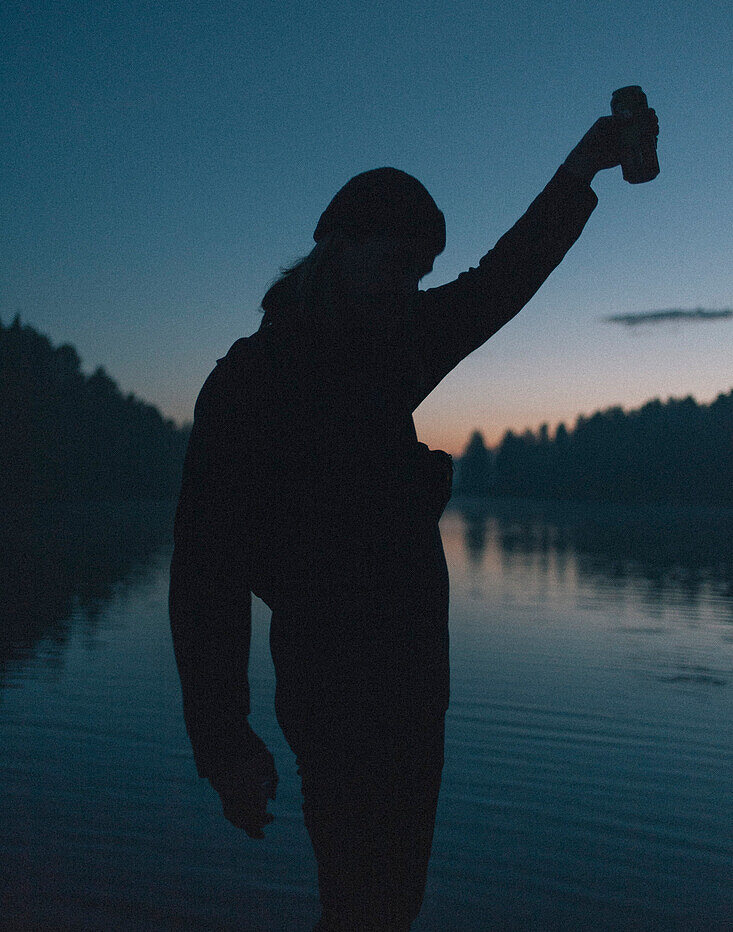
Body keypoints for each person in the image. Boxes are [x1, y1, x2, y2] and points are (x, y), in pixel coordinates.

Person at [168, 109, 659, 930]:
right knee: (367, 904)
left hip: (412, 686)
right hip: (333, 691)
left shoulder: (391, 344)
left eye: (422, 272)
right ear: (338, 246)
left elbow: (503, 280)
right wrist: (224, 744)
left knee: (383, 905)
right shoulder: (249, 385)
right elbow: (205, 579)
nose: (413, 288)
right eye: (398, 265)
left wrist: (582, 169)